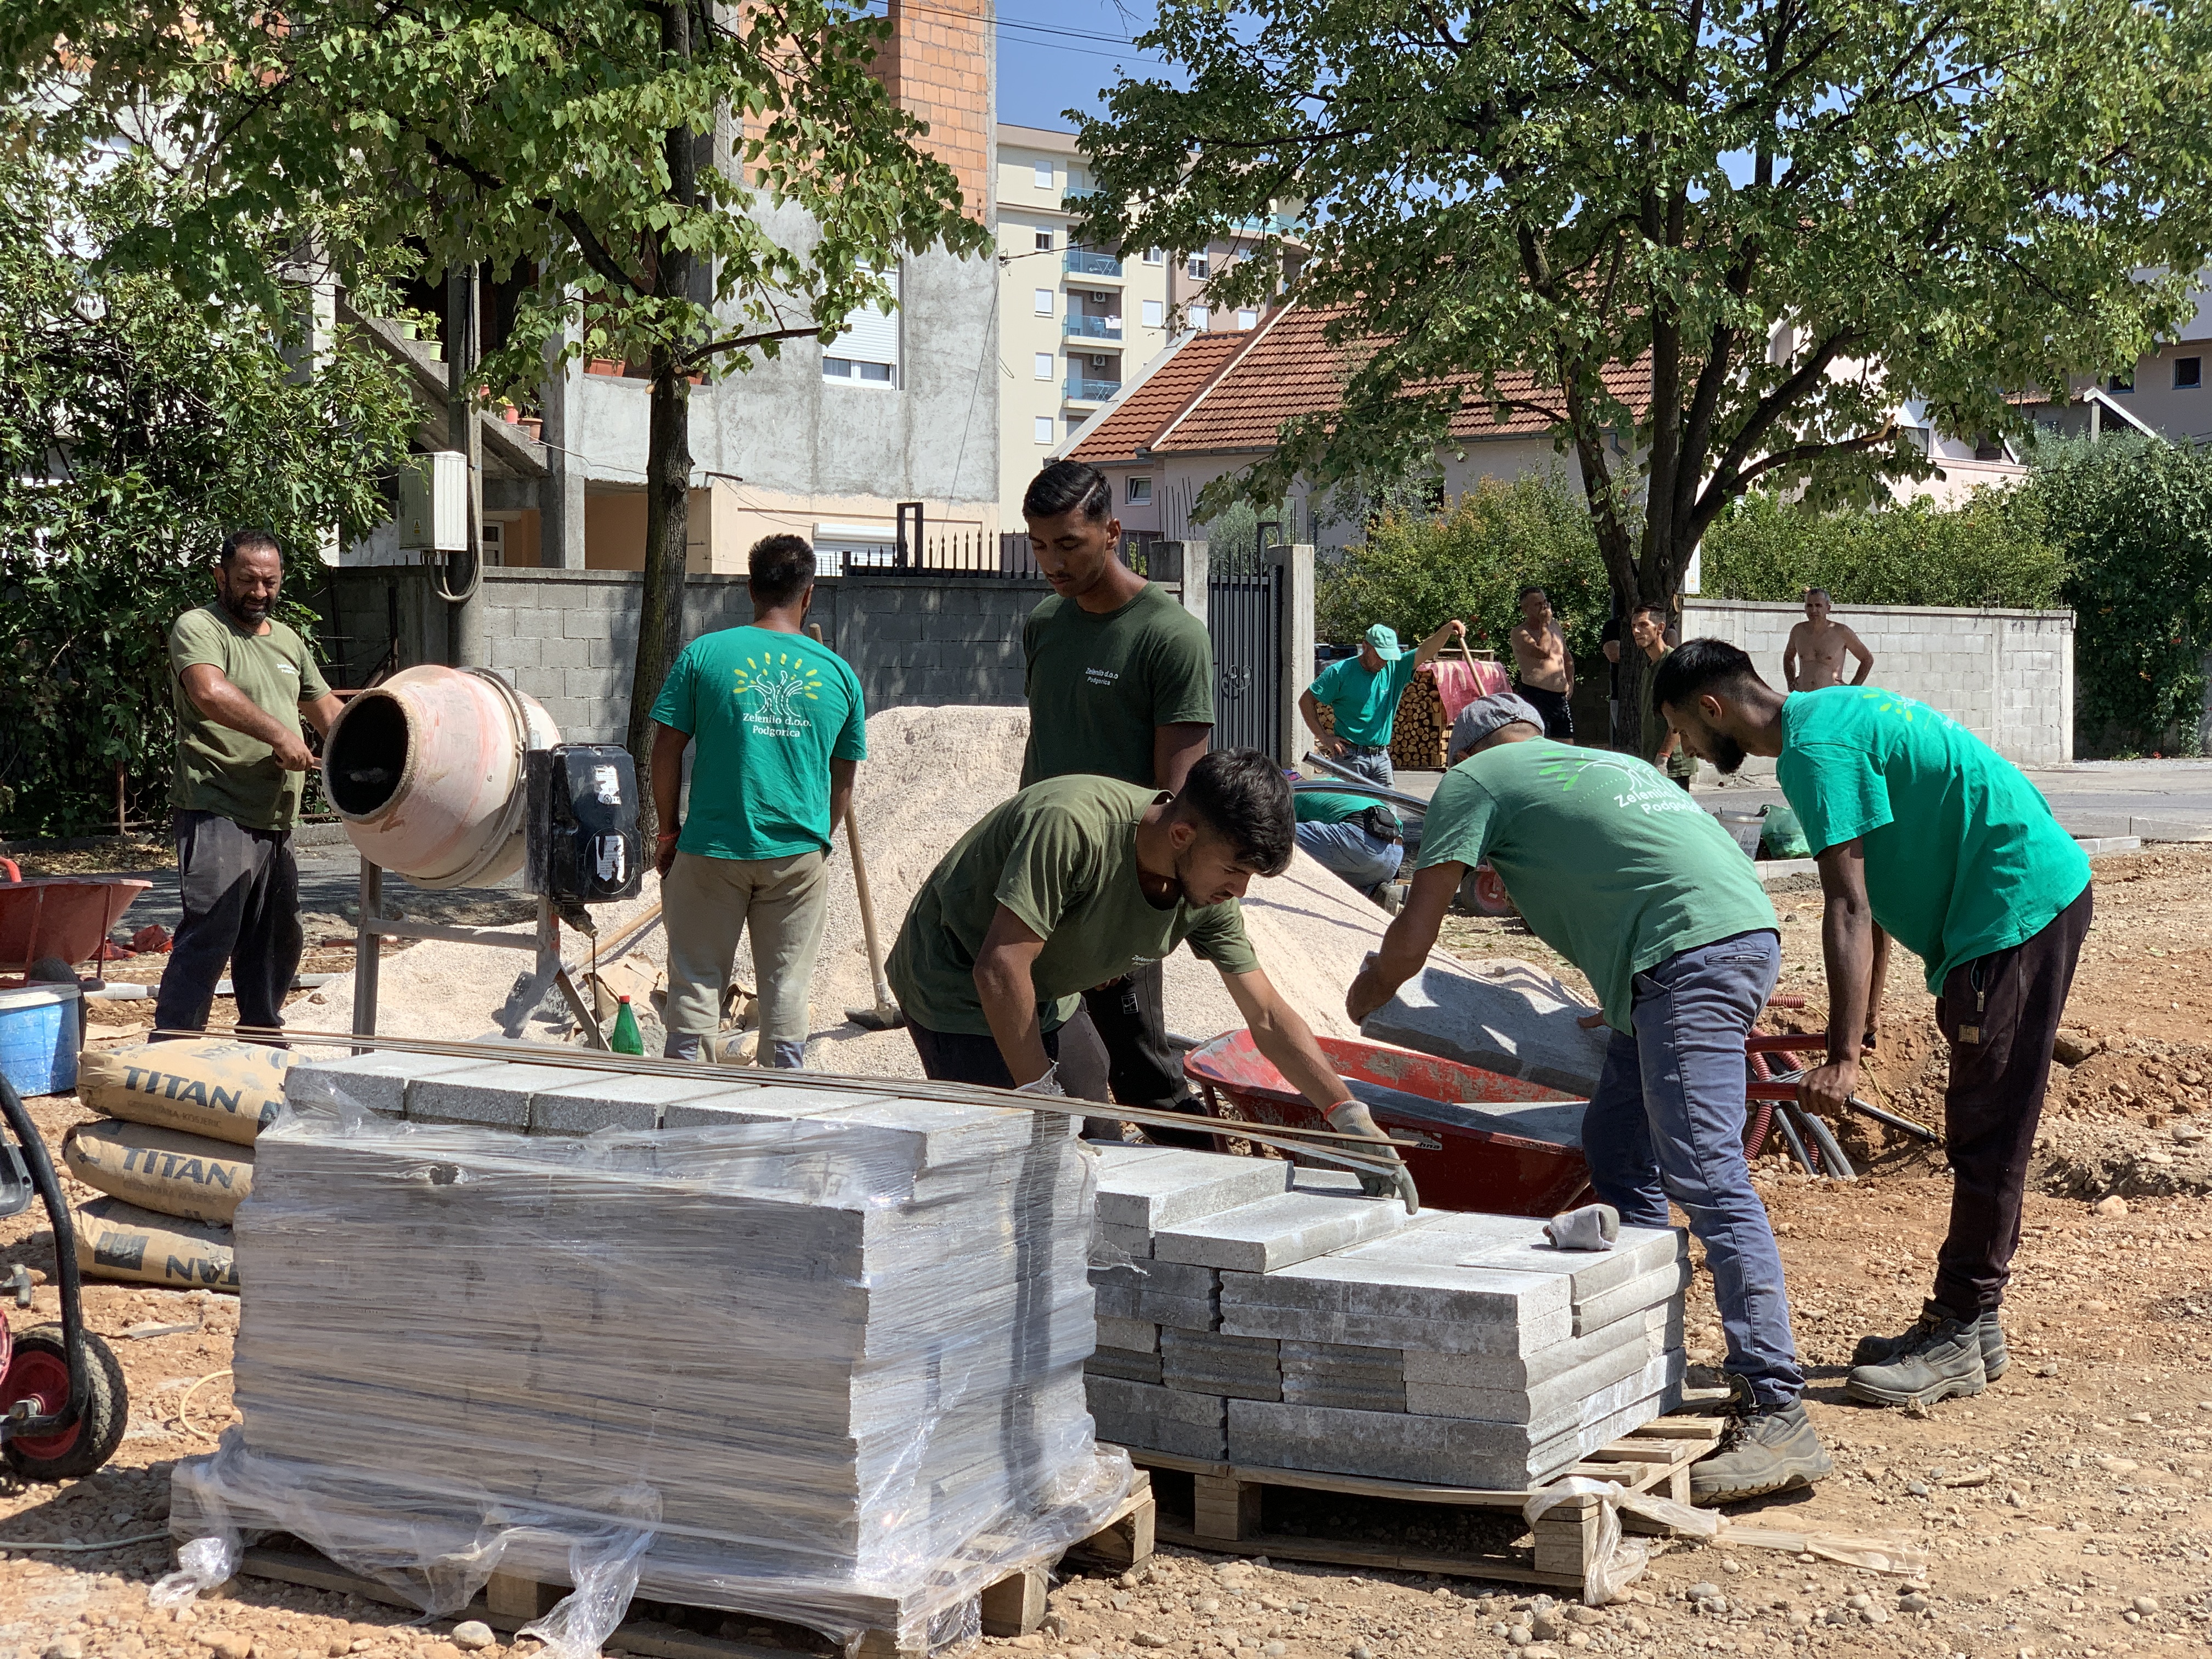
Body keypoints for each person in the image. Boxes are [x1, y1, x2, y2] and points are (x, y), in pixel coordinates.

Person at [1346, 690, 1829, 1505]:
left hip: (1686, 959)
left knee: (1709, 1176)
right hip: (1728, 935)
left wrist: (1365, 993)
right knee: (1616, 1146)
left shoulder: (1473, 781)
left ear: (1465, 753)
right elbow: (1635, 864)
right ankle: (1641, 1349)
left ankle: (1779, 1407)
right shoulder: (1599, 762)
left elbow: (1417, 930)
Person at [1653, 641, 2092, 1410]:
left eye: (1682, 729)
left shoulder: (1814, 755)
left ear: (1712, 708)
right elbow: (1877, 897)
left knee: (1990, 1124)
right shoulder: (1829, 715)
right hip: (2008, 897)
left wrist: (1843, 1057)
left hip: (2012, 906)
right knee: (1985, 1114)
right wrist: (1871, 1016)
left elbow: (1849, 906)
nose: (1687, 747)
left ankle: (1959, 1326)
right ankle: (1976, 1327)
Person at [887, 748, 1403, 1187]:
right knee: (1018, 1165)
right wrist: (1042, 1101)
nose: (1240, 891)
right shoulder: (1073, 827)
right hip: (955, 983)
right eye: (1233, 870)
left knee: (1098, 1148)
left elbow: (1265, 1014)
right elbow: (999, 971)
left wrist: (1346, 1115)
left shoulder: (1207, 892)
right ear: (1181, 834)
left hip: (1046, 989)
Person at [1018, 460, 1216, 1142]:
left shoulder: (1171, 637)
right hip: (1043, 883)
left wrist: (1134, 922)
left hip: (1119, 894)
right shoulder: (1045, 624)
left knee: (1146, 1075)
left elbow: (1181, 803)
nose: (1052, 563)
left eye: (1068, 544)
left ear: (1113, 531)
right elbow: (1044, 750)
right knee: (1054, 1070)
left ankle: (1210, 1195)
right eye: (1039, 545)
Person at [647, 534, 865, 1068]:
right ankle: (781, 1109)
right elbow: (843, 781)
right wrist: (817, 841)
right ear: (808, 594)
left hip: (712, 850)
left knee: (696, 983)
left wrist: (669, 831)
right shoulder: (839, 676)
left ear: (750, 588)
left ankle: (682, 1107)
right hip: (796, 856)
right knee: (787, 986)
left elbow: (666, 750)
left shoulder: (705, 656)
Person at [154, 532, 344, 1039]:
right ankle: (172, 1045)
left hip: (275, 815)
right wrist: (280, 734)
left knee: (277, 939)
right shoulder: (199, 627)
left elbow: (328, 712)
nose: (259, 592)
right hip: (218, 803)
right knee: (212, 929)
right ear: (221, 577)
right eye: (247, 581)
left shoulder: (287, 640)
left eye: (270, 582)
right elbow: (209, 692)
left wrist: (378, 756)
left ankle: (260, 1036)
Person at [1299, 618, 1468, 787]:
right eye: (1379, 655)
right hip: (1349, 758)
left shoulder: (1395, 669)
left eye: (1388, 657)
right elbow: (1306, 701)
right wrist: (1323, 737)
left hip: (1382, 758)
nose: (1383, 662)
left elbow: (1425, 650)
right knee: (1350, 811)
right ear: (1365, 647)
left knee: (1386, 812)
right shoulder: (1339, 673)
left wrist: (1447, 629)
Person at [1629, 604, 1699, 791]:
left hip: (1672, 764)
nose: (1636, 630)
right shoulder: (1648, 669)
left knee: (1676, 817)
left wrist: (1663, 757)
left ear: (1660, 628)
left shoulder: (1674, 664)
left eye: (1643, 625)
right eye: (1634, 625)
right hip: (1652, 760)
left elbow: (1680, 716)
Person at [1293, 787, 1403, 898]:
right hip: (1394, 855)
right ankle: (1374, 894)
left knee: (1280, 834)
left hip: (1357, 842)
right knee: (1340, 864)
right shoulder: (1337, 785)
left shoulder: (1295, 794)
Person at [1509, 585, 1576, 742]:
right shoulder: (1519, 633)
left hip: (1559, 698)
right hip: (1536, 695)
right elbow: (1543, 652)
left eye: (1545, 602)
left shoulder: (1556, 627)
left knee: (1566, 744)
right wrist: (1544, 625)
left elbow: (1566, 657)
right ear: (1525, 609)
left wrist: (1570, 683)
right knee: (1539, 743)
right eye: (1538, 604)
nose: (1544, 607)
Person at [1782, 589, 1875, 691]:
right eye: (1810, 606)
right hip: (1804, 695)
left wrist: (1852, 689)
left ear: (1828, 608)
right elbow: (1788, 657)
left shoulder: (1841, 632)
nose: (1813, 610)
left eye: (1818, 606)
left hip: (1830, 697)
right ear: (1805, 608)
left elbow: (1867, 659)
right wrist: (1790, 682)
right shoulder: (1798, 631)